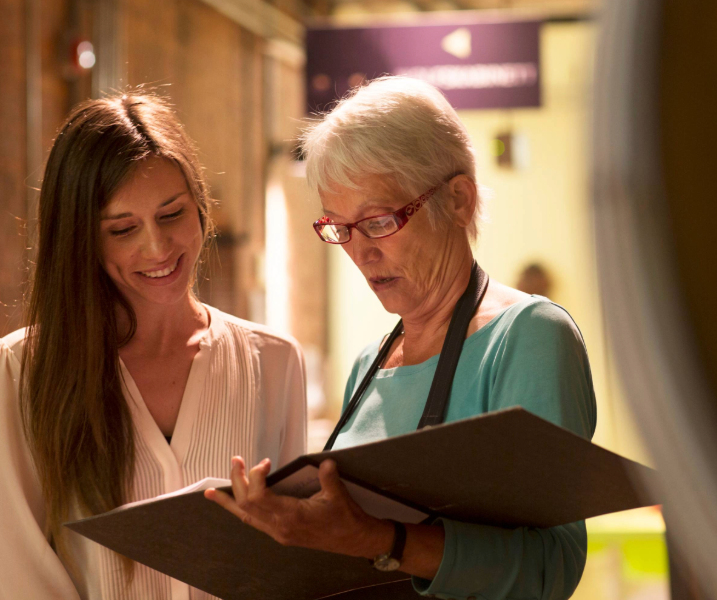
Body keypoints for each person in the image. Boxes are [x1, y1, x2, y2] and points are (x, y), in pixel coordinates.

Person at [206, 76, 596, 600]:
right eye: (339, 228)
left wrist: (378, 539)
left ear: (458, 199)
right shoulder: (370, 365)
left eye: (379, 221)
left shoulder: (529, 338)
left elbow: (551, 570)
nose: (360, 253)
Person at [0, 93, 306, 599]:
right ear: (82, 238)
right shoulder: (23, 370)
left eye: (172, 214)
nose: (157, 248)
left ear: (200, 205)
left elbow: (291, 559)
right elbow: (22, 573)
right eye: (124, 229)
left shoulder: (274, 362)